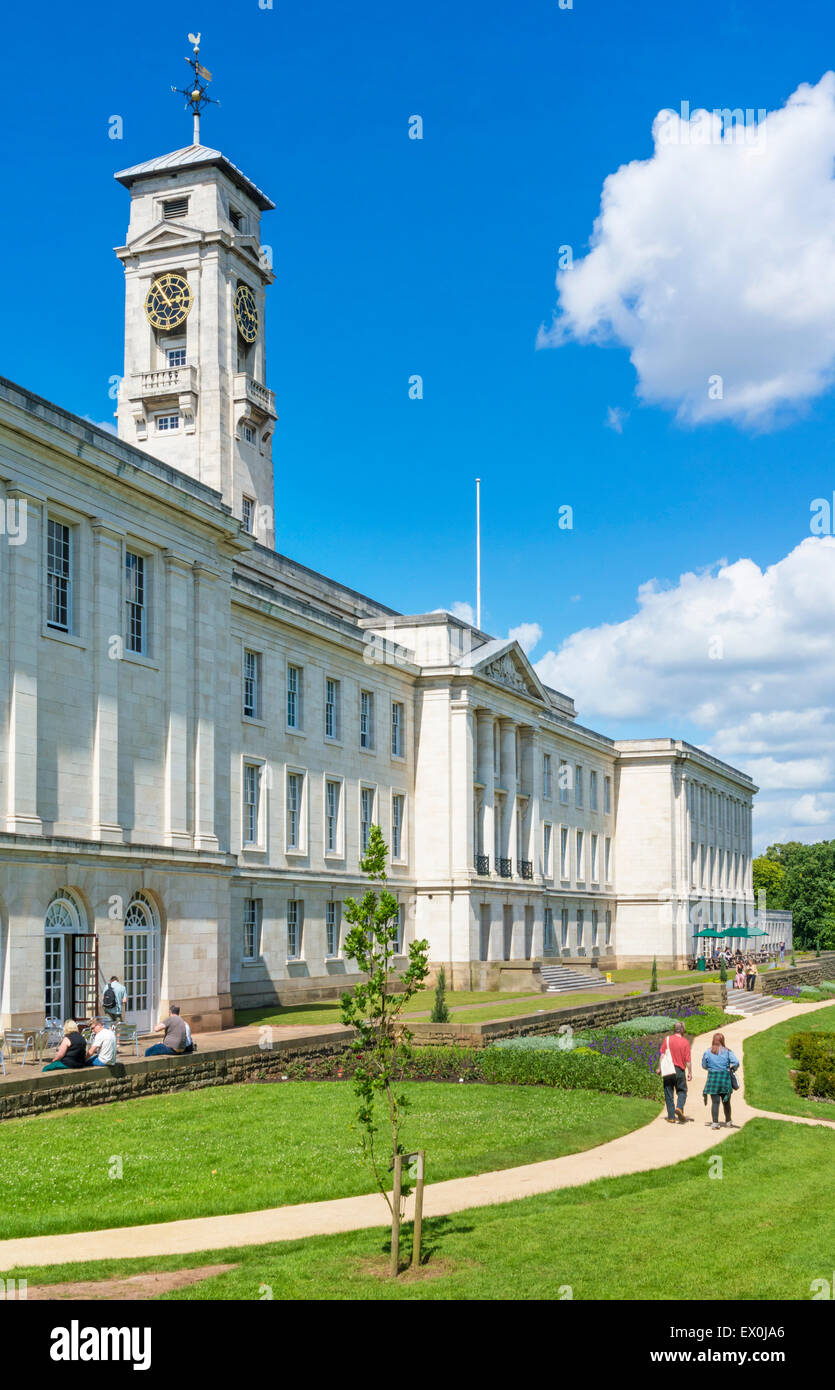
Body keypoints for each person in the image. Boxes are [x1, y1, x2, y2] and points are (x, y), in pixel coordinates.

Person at [702, 1031, 740, 1129]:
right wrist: (732, 1069)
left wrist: (710, 1068)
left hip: (712, 1078)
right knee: (726, 1101)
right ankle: (728, 1122)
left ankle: (715, 1123)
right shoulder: (727, 1052)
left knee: (715, 1102)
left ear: (713, 1040)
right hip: (724, 1078)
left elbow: (704, 1065)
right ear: (722, 1041)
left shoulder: (707, 1051)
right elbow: (736, 1062)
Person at [658, 1021, 692, 1123]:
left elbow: (662, 1055)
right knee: (682, 1091)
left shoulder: (667, 1039)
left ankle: (671, 1117)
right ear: (682, 1030)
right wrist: (690, 1072)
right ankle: (679, 1107)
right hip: (679, 1070)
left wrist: (659, 1068)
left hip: (668, 1070)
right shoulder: (685, 1042)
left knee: (668, 1092)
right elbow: (688, 1061)